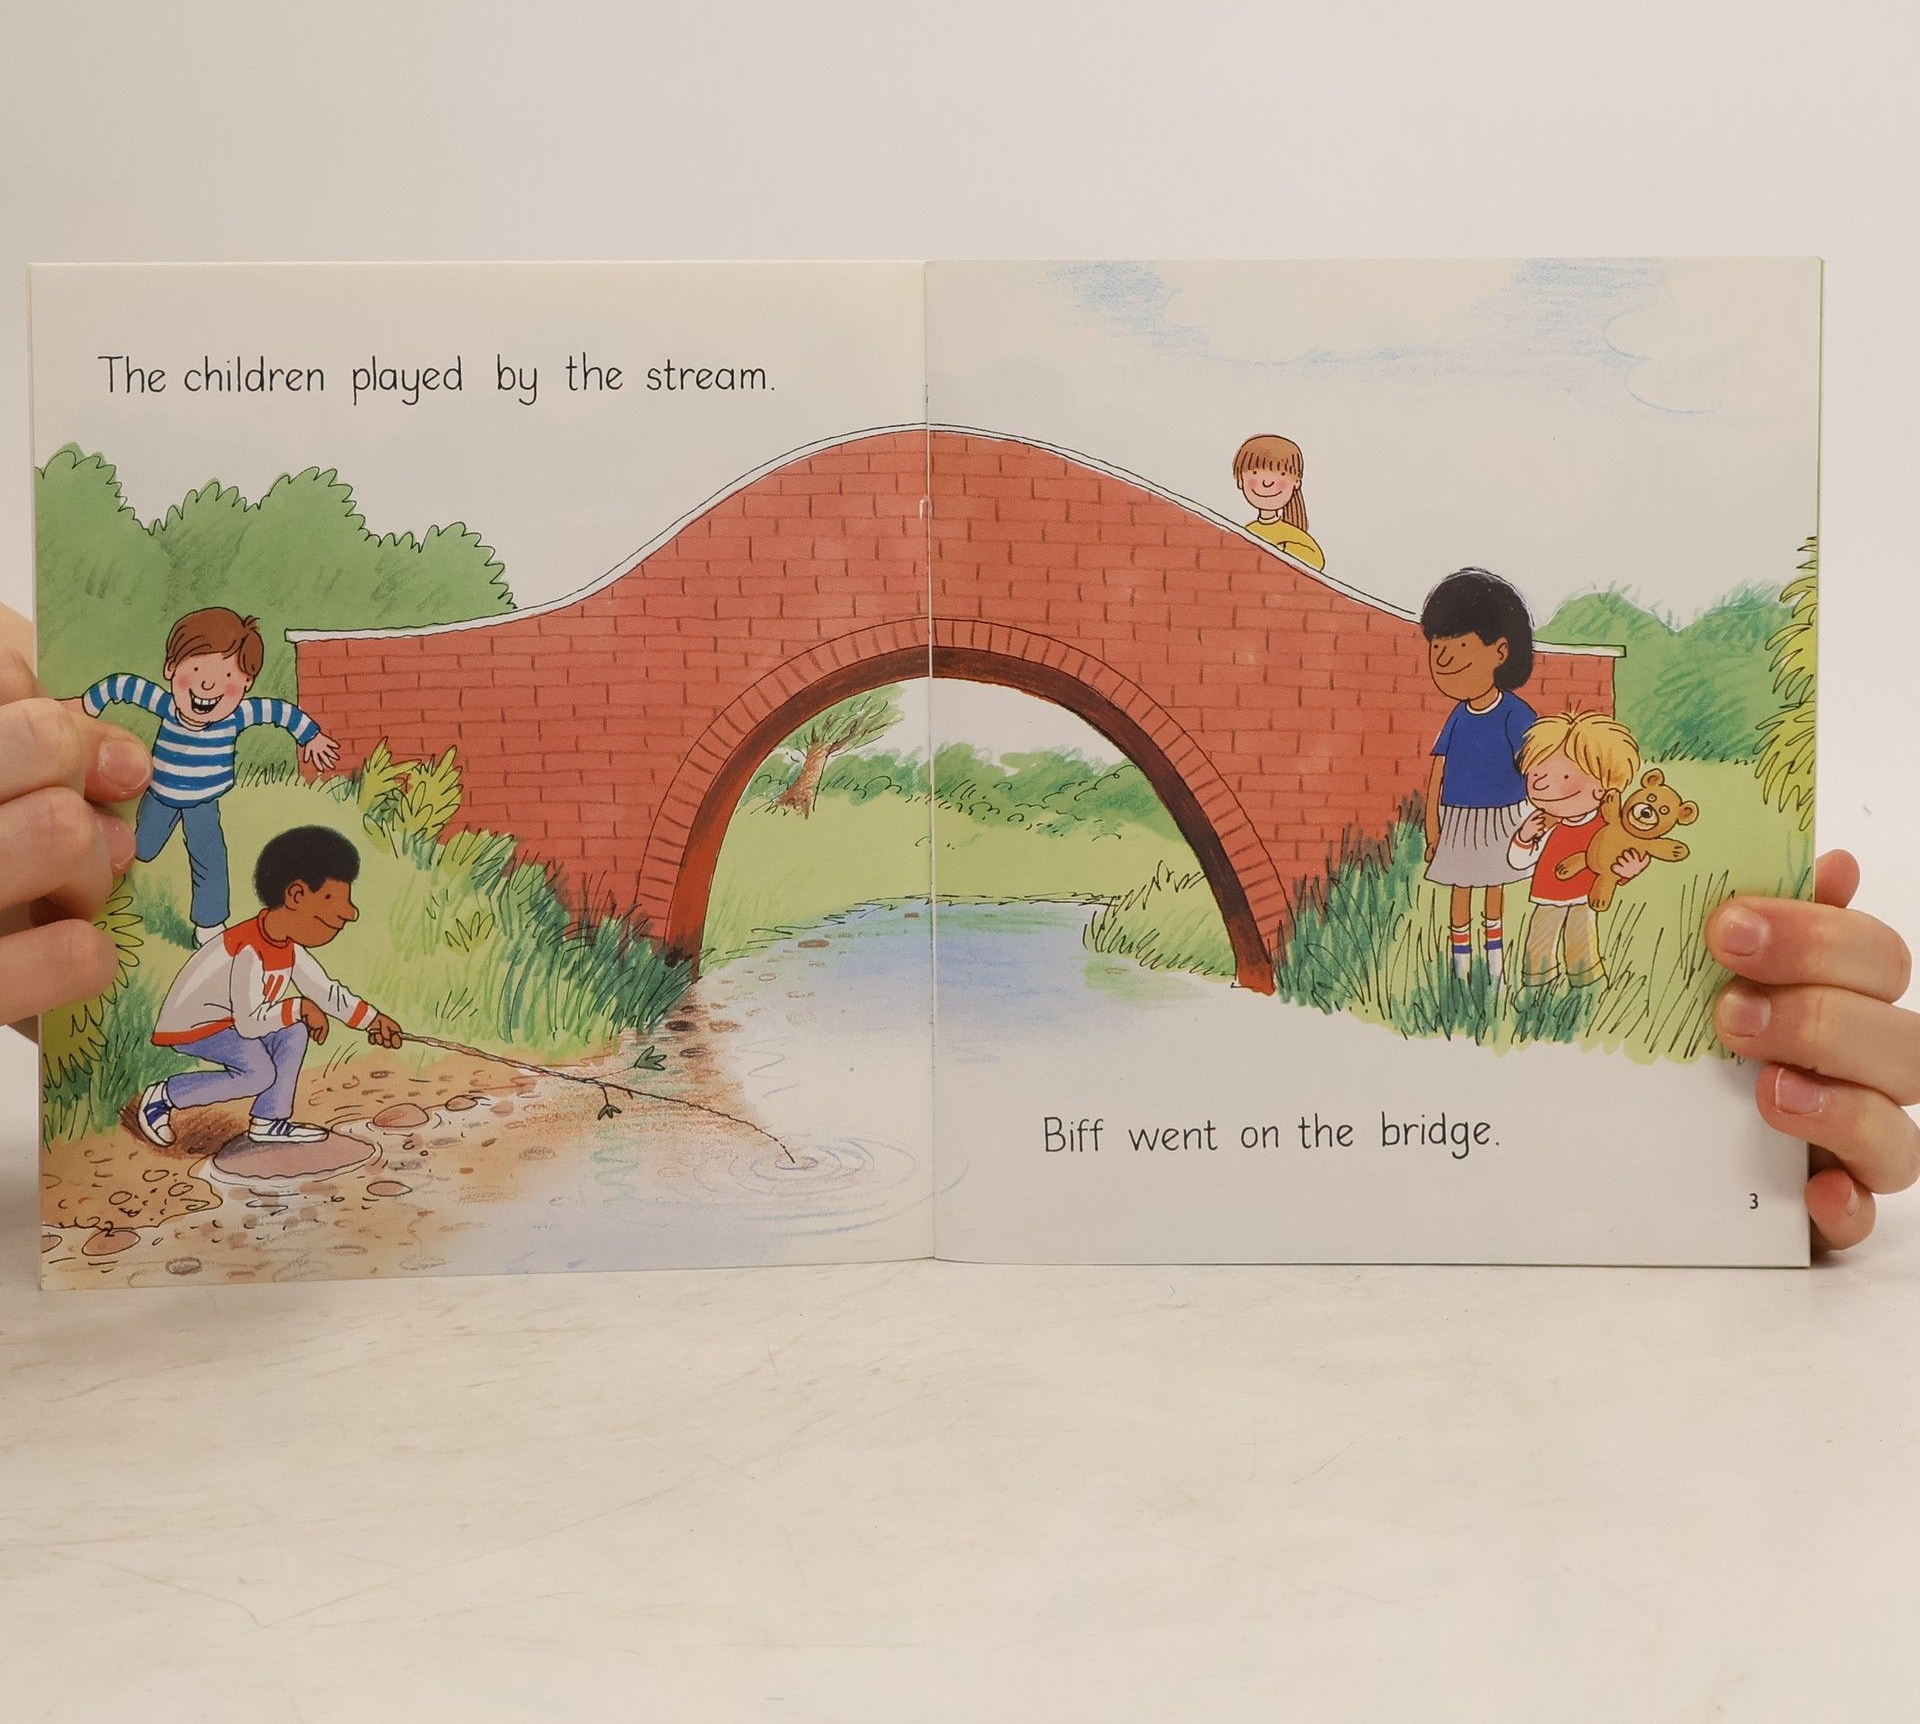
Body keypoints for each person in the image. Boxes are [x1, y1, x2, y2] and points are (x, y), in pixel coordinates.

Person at [0, 610, 1914, 1248]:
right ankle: (214, 1122)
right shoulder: (222, 925)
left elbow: (340, 991)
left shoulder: (1521, 740)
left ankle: (243, 1122)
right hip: (197, 1043)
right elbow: (245, 971)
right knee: (247, 1062)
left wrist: (1713, 1156)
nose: (334, 919)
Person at [68, 606, 340, 944]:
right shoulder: (167, 705)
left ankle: (210, 927)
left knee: (210, 860)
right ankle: (101, 880)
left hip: (203, 803)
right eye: (196, 669)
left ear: (246, 683)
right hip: (161, 795)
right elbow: (122, 686)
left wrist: (311, 736)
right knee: (143, 849)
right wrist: (85, 705)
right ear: (171, 668)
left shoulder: (239, 715)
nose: (208, 685)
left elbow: (281, 712)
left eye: (227, 676)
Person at [135, 825, 404, 1147]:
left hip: (231, 1022)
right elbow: (249, 1024)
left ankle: (269, 1119)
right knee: (258, 1073)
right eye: (331, 898)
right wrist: (299, 1007)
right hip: (195, 1026)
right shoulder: (248, 949)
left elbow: (325, 991)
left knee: (294, 1031)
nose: (349, 913)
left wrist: (372, 1020)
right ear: (296, 895)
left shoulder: (286, 946)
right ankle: (163, 1097)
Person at [1420, 569, 1539, 986]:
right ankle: (1460, 968)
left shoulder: (1515, 714)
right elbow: (1437, 773)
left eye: (1458, 645)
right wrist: (1433, 829)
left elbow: (1534, 764)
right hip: (1458, 818)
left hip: (1503, 816)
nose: (1442, 658)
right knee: (1460, 885)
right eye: (1437, 645)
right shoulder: (1458, 716)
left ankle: (1494, 966)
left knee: (1493, 885)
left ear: (1500, 651)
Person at [1506, 711, 1647, 989]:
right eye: (1537, 772)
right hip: (1547, 896)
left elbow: (1610, 863)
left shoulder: (1606, 825)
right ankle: (1537, 986)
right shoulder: (1543, 822)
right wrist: (1524, 837)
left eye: (1565, 775)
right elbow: (1519, 862)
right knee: (1540, 942)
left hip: (1585, 896)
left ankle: (1588, 986)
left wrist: (1628, 871)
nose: (1540, 783)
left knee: (1581, 942)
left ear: (1603, 786)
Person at [1233, 434, 1325, 570]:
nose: (1267, 482)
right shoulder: (1247, 532)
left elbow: (1316, 563)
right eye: (1255, 473)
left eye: (1282, 474)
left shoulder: (1296, 537)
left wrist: (1282, 551)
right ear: (1240, 480)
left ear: (1296, 482)